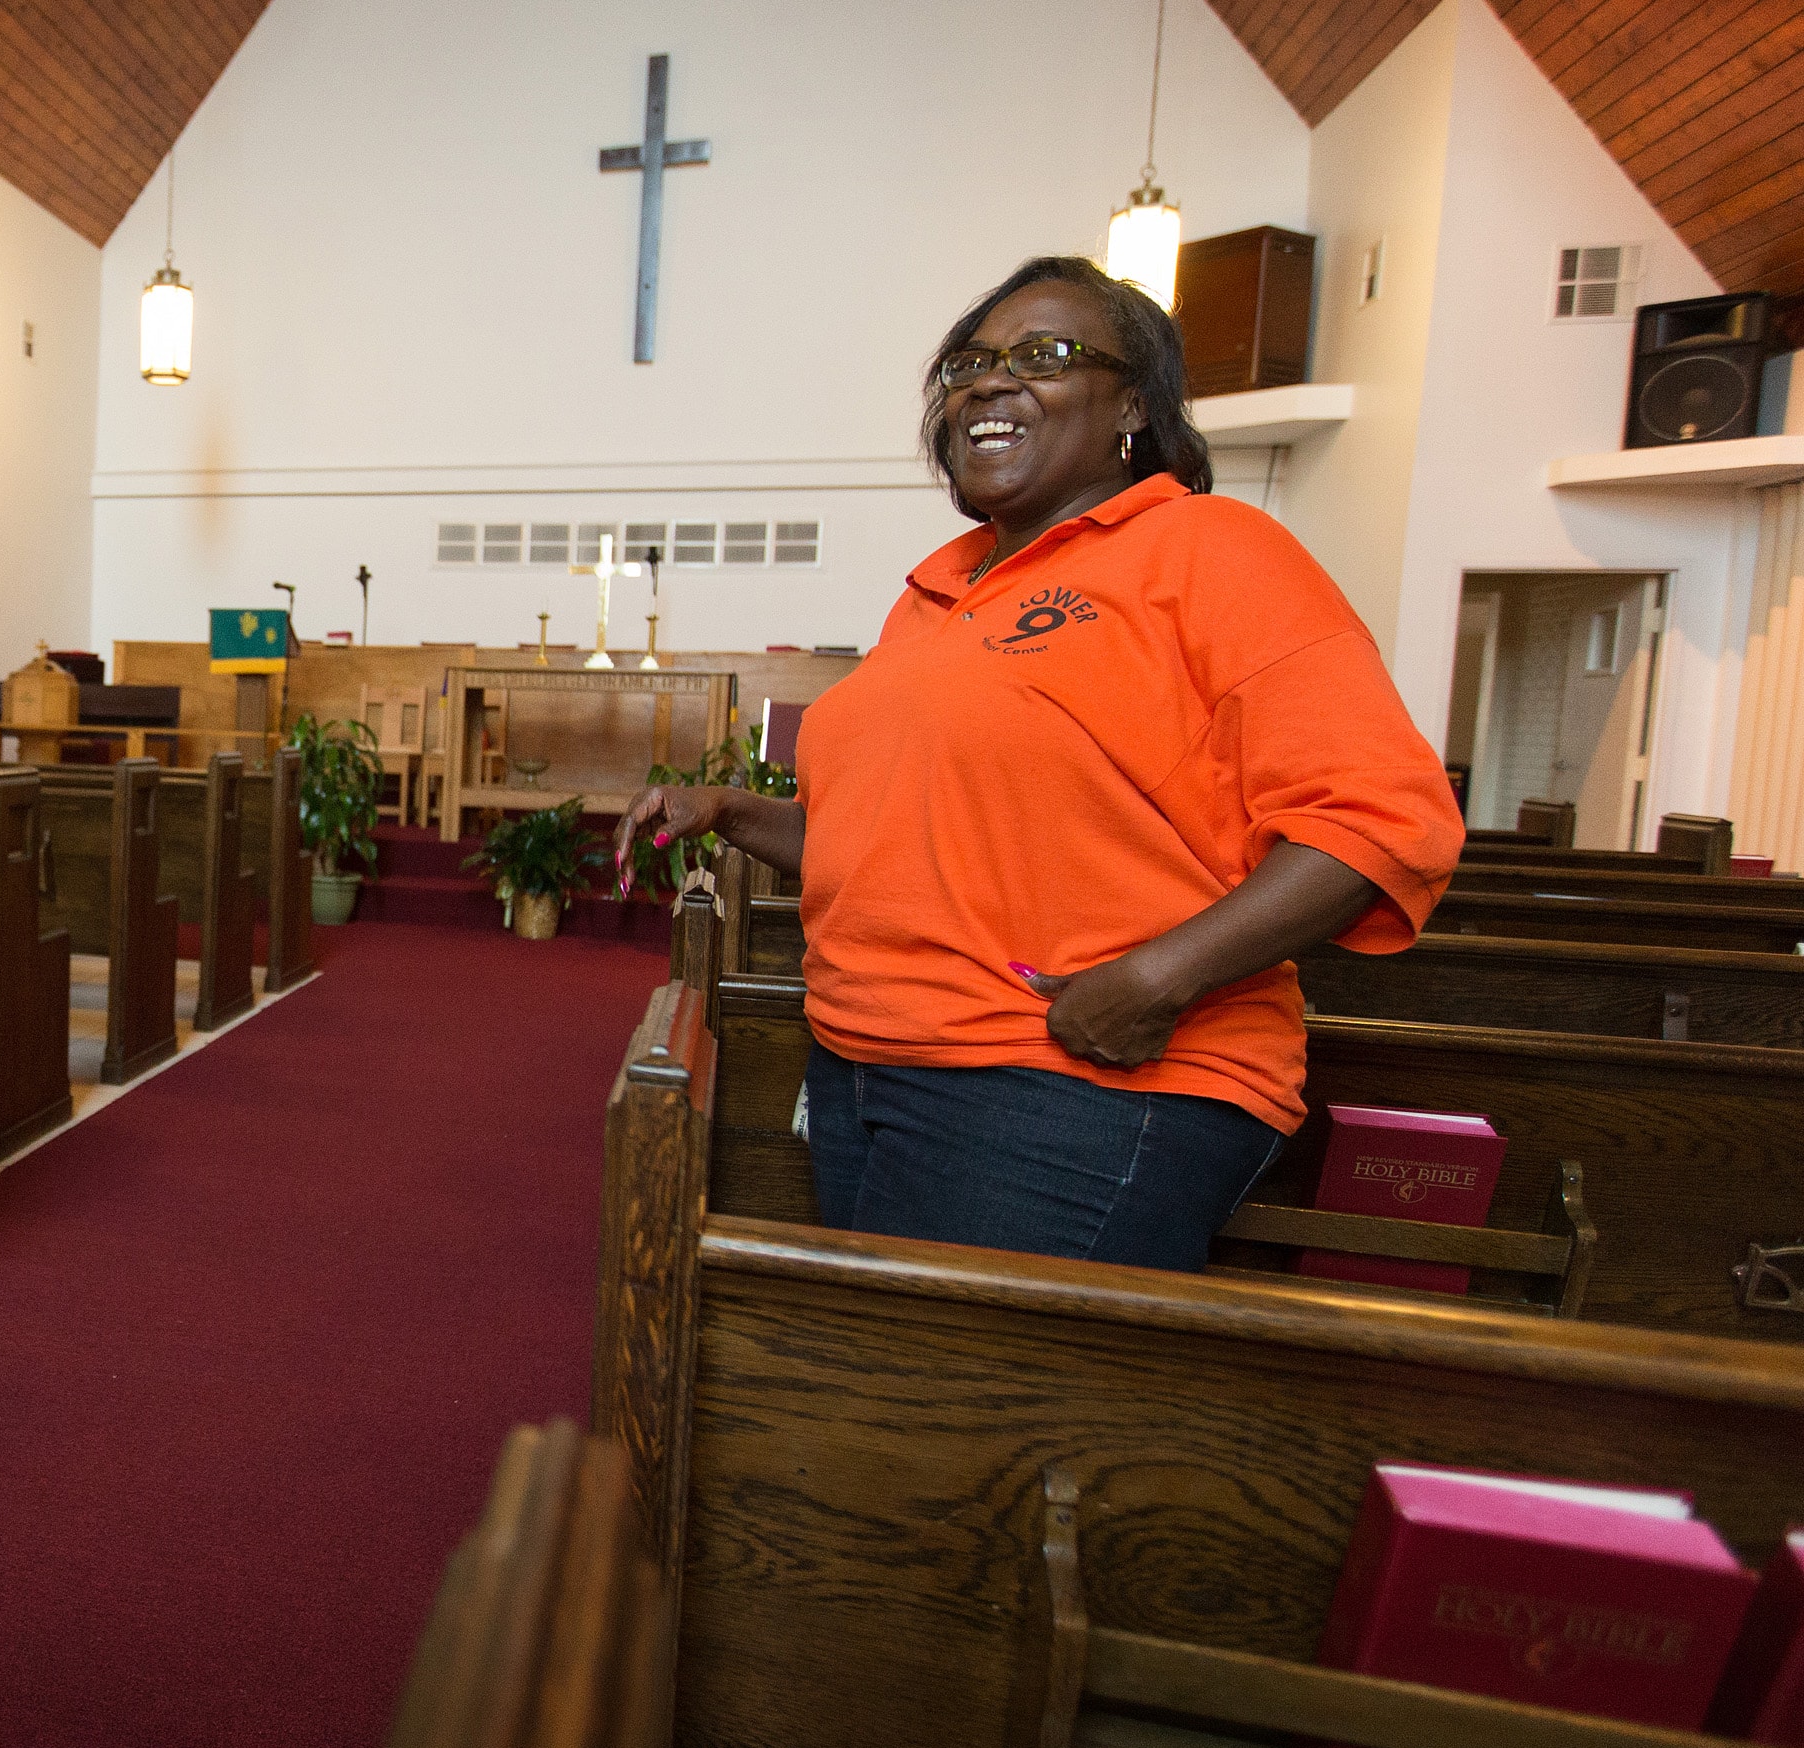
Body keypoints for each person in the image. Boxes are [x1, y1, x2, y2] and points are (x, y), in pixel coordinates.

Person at [619, 255, 1461, 1271]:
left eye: (1045, 354)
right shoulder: (934, 596)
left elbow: (1381, 820)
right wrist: (727, 808)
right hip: (867, 1061)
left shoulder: (1211, 549)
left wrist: (1158, 979)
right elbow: (893, 843)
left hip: (1071, 1082)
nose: (988, 380)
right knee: (888, 1402)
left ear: (1133, 407)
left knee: (959, 1419)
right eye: (969, 362)